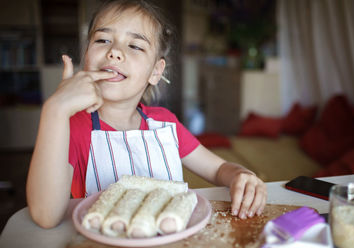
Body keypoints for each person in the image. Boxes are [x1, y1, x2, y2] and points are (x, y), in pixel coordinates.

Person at [26, 0, 267, 229]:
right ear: (86, 55)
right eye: (102, 40)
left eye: (134, 45)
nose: (114, 52)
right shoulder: (73, 126)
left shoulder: (164, 123)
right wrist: (55, 109)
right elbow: (45, 215)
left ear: (155, 71)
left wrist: (239, 175)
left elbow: (217, 169)